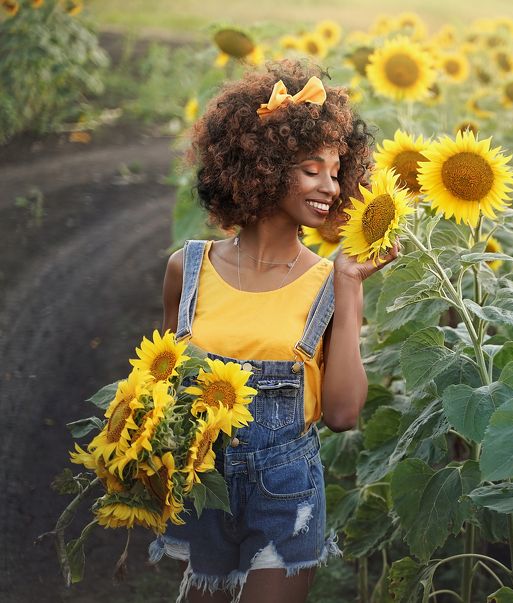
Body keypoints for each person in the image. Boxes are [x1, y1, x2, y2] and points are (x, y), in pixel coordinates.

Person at [149, 59, 396, 603]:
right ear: (261, 165)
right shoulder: (186, 270)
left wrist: (350, 287)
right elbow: (157, 387)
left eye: (337, 171)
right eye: (313, 169)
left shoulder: (328, 284)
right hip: (201, 491)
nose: (331, 187)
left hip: (286, 496)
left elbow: (343, 415)